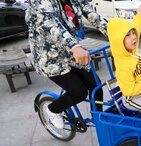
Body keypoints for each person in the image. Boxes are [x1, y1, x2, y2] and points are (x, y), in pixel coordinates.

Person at [26, 0, 107, 129]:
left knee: (96, 85)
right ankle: (53, 110)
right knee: (79, 92)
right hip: (50, 57)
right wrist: (74, 46)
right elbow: (51, 25)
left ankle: (99, 120)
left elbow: (92, 15)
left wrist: (119, 35)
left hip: (71, 53)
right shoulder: (39, 2)